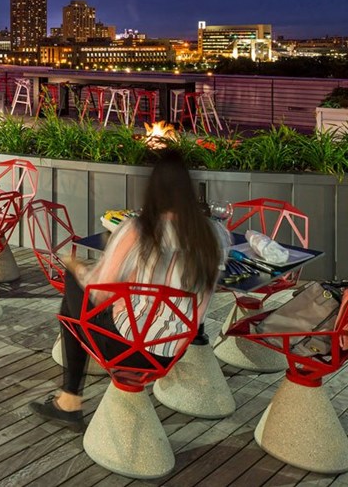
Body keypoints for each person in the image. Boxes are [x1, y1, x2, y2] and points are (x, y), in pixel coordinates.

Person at [29, 149, 229, 431]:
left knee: (74, 281)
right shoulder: (215, 234)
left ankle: (70, 399)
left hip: (132, 347)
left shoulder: (138, 230)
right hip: (174, 348)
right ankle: (69, 399)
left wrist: (75, 264)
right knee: (102, 288)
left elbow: (98, 289)